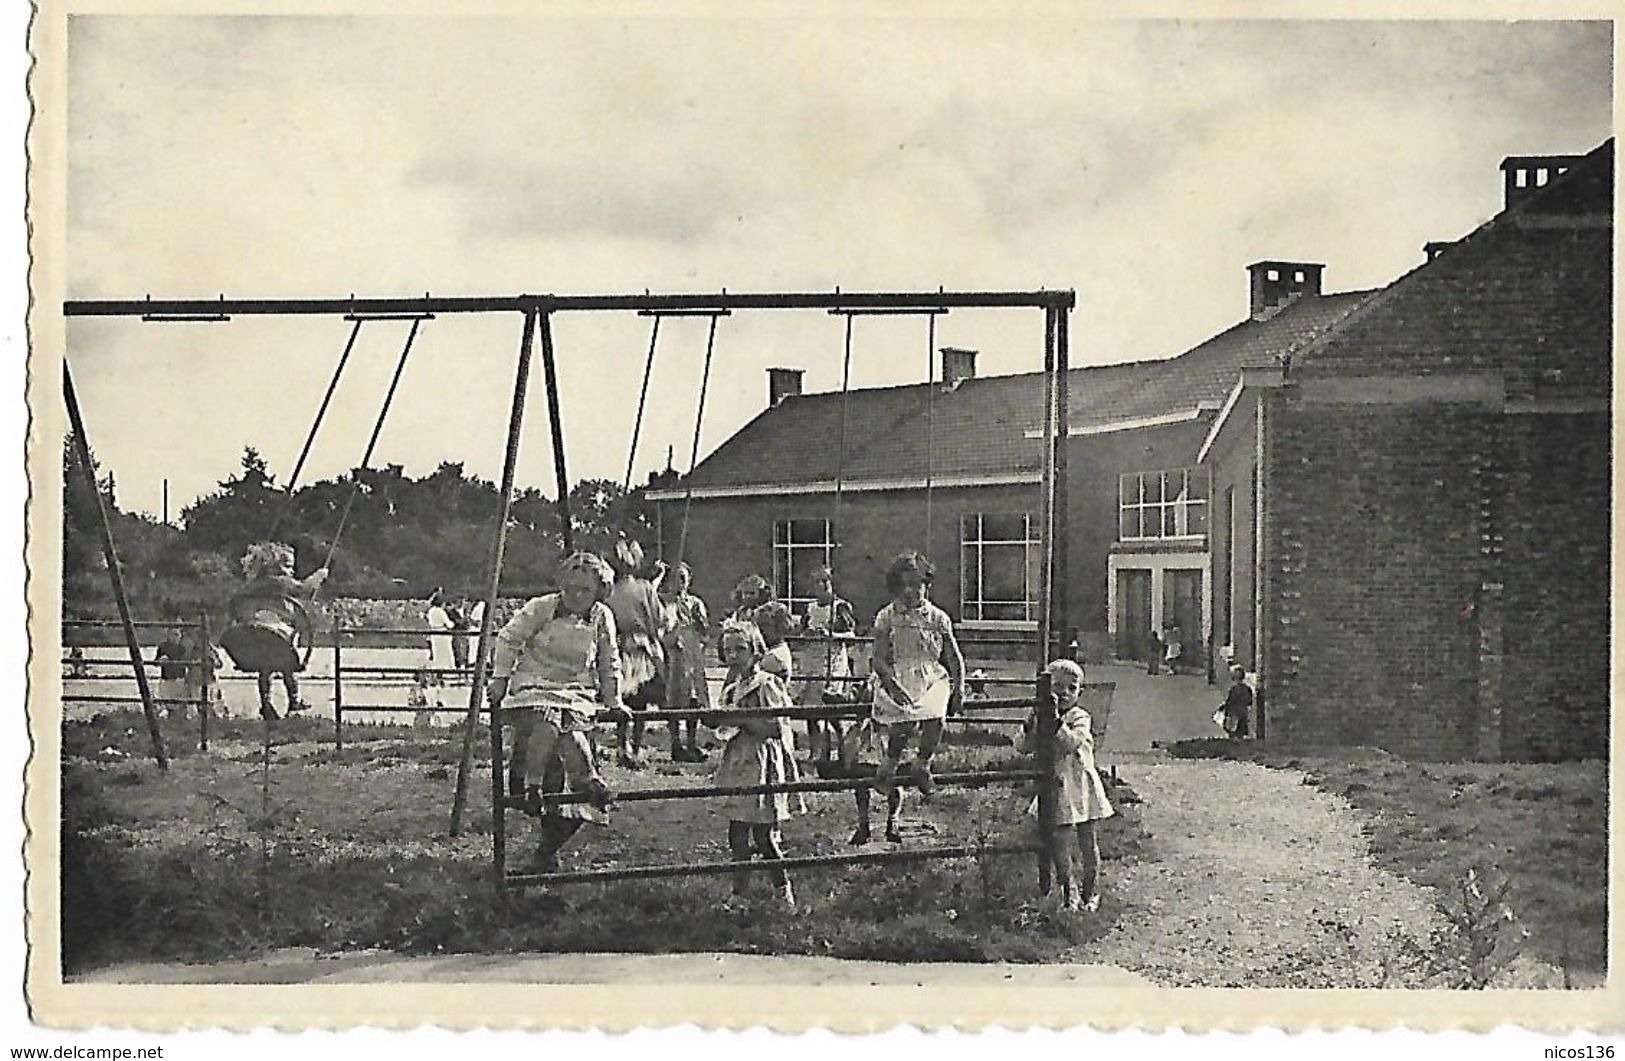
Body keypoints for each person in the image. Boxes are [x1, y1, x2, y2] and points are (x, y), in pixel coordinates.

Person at [489, 551, 628, 875]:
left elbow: (609, 660)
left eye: (585, 590)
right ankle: (533, 786)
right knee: (549, 726)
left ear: (598, 591)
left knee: (573, 740)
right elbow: (509, 639)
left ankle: (588, 783)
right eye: (571, 588)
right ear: (561, 585)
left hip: (576, 694)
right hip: (535, 688)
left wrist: (614, 701)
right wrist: (500, 679)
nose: (576, 596)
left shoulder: (601, 617)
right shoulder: (541, 608)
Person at [709, 620, 802, 907]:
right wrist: (717, 720)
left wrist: (742, 720)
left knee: (763, 835)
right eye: (729, 651)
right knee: (737, 831)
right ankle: (740, 892)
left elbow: (776, 726)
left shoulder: (767, 683)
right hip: (738, 762)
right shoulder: (731, 689)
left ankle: (782, 889)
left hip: (762, 762)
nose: (734, 656)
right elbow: (723, 726)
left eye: (741, 649)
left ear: (756, 651)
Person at [869, 551, 965, 800]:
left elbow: (954, 657)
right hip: (899, 674)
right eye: (904, 586)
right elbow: (878, 658)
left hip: (931, 674)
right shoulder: (887, 616)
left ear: (927, 584)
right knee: (904, 722)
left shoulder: (938, 618)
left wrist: (960, 687)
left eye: (916, 585)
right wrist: (890, 683)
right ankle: (889, 765)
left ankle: (922, 763)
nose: (910, 591)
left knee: (937, 716)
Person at [1025, 658, 1114, 913]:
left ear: (1079, 692)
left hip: (1081, 785)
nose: (1063, 693)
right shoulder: (1040, 715)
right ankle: (1068, 891)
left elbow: (1070, 743)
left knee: (1087, 841)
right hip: (1057, 785)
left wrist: (1055, 723)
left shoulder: (1079, 717)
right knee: (1059, 840)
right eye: (1057, 687)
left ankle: (1091, 890)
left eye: (1071, 688)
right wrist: (1031, 725)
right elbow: (1022, 745)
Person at [229, 542, 328, 721]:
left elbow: (237, 602)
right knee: (288, 667)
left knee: (265, 669)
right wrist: (318, 576)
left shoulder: (253, 584)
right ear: (276, 566)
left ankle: (266, 703)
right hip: (277, 633)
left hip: (256, 634)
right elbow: (303, 588)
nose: (291, 571)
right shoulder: (279, 581)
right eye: (289, 567)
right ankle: (294, 701)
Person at [607, 539, 666, 768]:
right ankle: (634, 746)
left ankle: (624, 746)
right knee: (638, 701)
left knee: (626, 699)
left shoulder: (610, 590)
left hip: (621, 646)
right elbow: (657, 618)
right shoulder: (644, 588)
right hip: (639, 647)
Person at [794, 566, 857, 776]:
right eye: (817, 583)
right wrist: (808, 634)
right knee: (812, 712)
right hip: (814, 662)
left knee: (833, 711)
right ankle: (818, 753)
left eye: (825, 582)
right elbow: (800, 634)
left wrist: (831, 633)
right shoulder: (810, 609)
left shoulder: (840, 607)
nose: (821, 587)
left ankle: (843, 753)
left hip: (833, 662)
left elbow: (851, 635)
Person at [659, 562, 710, 763]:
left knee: (693, 699)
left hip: (692, 652)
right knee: (672, 699)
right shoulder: (664, 604)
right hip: (672, 654)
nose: (678, 583)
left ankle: (691, 743)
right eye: (674, 579)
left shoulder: (695, 603)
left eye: (682, 578)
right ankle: (675, 744)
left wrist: (699, 623)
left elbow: (705, 632)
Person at [152, 625, 190, 717]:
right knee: (166, 703)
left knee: (180, 704)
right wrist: (160, 660)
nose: (174, 637)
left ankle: (180, 721)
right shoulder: (163, 647)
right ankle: (169, 720)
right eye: (172, 635)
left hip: (179, 679)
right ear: (168, 635)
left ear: (180, 635)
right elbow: (155, 662)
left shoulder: (184, 648)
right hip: (166, 679)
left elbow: (189, 662)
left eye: (176, 634)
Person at [1219, 665, 1253, 738]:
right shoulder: (1247, 689)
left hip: (1233, 715)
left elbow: (1229, 702)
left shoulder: (1233, 689)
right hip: (1242, 714)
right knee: (1240, 735)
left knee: (1232, 735)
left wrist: (1223, 708)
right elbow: (1249, 702)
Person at [448, 600, 471, 672]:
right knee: (458, 650)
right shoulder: (451, 612)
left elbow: (467, 623)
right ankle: (459, 667)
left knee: (466, 650)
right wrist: (463, 620)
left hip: (465, 633)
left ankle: (465, 666)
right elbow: (456, 622)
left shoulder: (465, 612)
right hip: (457, 633)